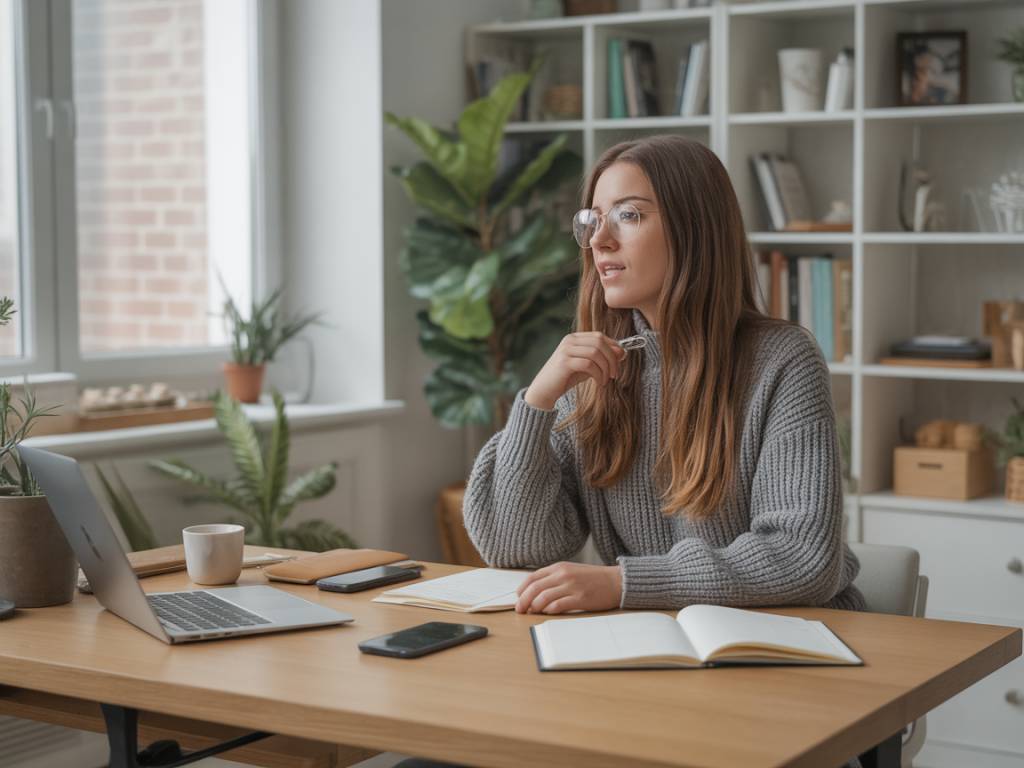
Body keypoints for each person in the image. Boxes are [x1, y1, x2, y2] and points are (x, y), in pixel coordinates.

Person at [463, 134, 865, 616]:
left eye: (628, 215)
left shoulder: (782, 360)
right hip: (657, 641)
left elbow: (802, 557)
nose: (599, 240)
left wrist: (623, 584)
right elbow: (515, 550)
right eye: (593, 220)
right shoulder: (595, 372)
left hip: (791, 641)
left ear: (693, 229)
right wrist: (537, 403)